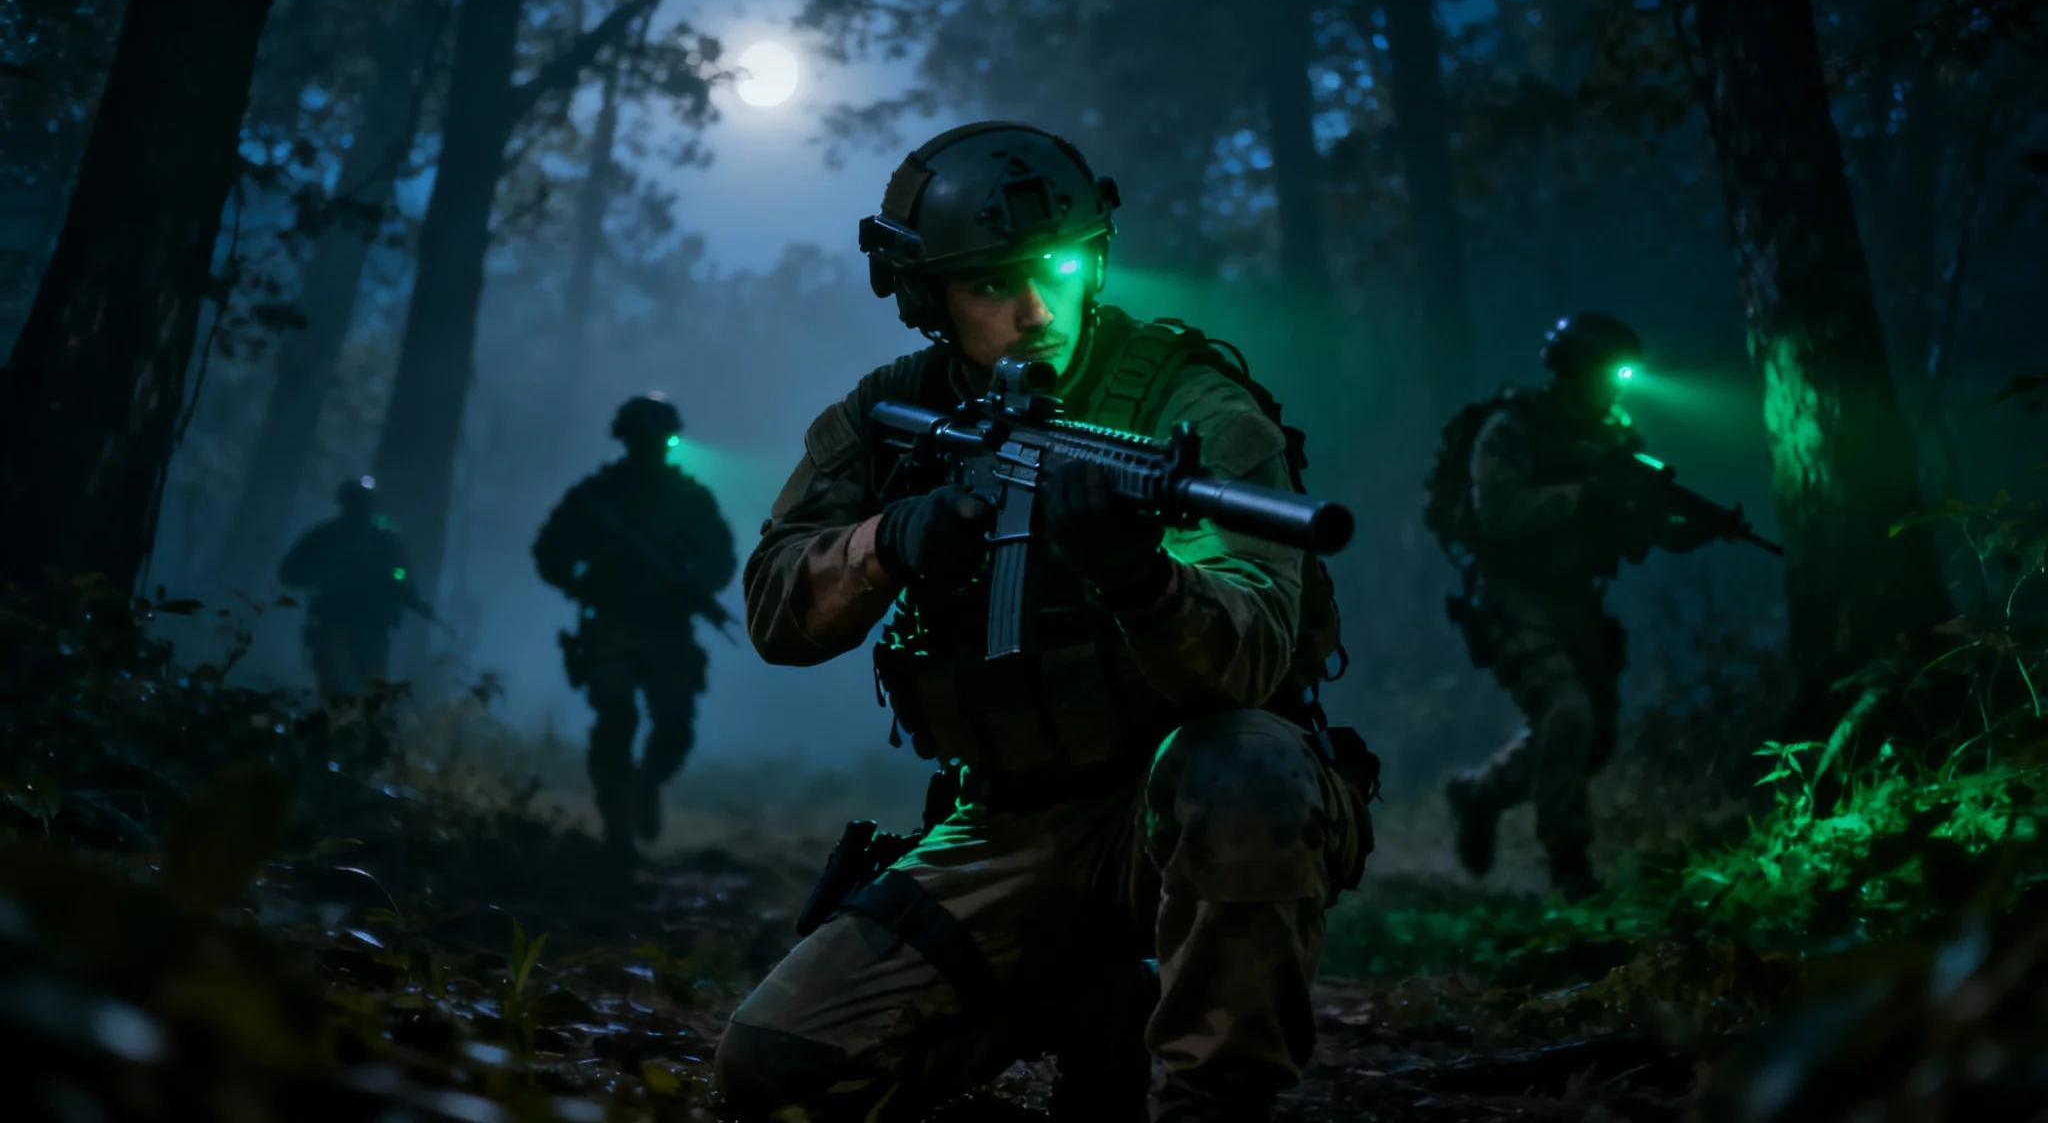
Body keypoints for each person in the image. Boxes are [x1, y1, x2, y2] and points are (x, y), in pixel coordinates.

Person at [712, 120, 1373, 1123]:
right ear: (927, 297)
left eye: (1057, 269)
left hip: (1183, 806)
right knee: (775, 1069)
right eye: (990, 284)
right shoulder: (891, 414)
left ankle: (1213, 1107)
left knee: (1244, 764)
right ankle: (1087, 1001)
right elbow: (775, 613)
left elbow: (1247, 662)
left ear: (1094, 262)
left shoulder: (1189, 406)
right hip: (1009, 823)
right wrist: (892, 539)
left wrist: (1140, 577)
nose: (1032, 310)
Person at [1432, 314, 1721, 898]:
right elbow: (1497, 513)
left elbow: (1630, 525)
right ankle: (1569, 866)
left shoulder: (1614, 436)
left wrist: (1675, 528)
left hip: (1576, 599)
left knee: (1590, 739)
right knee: (1566, 714)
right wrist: (1582, 497)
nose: (1613, 387)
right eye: (1604, 374)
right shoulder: (1513, 429)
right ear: (1571, 369)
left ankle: (1481, 793)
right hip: (1511, 593)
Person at [533, 395, 736, 859]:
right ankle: (617, 828)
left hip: (669, 628)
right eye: (642, 437)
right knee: (616, 720)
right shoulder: (596, 498)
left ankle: (644, 787)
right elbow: (549, 551)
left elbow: (720, 558)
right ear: (626, 439)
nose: (650, 446)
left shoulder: (691, 499)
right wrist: (580, 583)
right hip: (610, 624)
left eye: (657, 438)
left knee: (675, 726)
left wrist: (695, 585)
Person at [278, 476, 429, 696]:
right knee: (341, 693)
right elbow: (289, 573)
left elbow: (401, 578)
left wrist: (405, 593)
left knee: (365, 693)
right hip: (338, 624)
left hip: (368, 628)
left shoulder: (378, 541)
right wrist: (323, 573)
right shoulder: (327, 537)